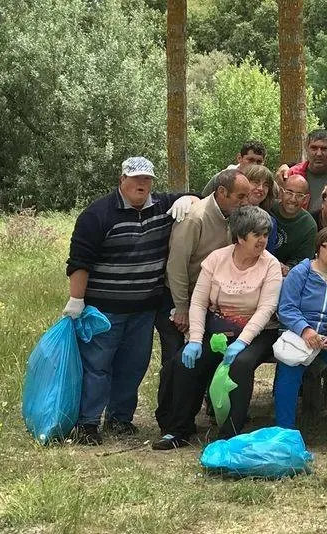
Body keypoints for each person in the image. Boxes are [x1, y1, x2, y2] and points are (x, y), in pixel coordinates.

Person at [64, 157, 195, 445]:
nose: (141, 184)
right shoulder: (97, 214)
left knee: (133, 366)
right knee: (98, 366)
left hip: (143, 309)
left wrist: (188, 198)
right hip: (103, 309)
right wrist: (76, 300)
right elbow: (79, 262)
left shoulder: (163, 207)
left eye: (147, 179)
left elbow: (200, 196)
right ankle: (87, 424)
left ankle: (120, 419)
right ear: (122, 179)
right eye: (135, 178)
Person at [153, 206, 283, 449]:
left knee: (240, 364)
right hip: (217, 329)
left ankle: (230, 433)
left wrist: (242, 342)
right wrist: (194, 339)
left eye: (266, 234)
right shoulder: (216, 258)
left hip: (256, 333)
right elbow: (200, 301)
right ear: (241, 236)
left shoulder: (270, 265)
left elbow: (266, 309)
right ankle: (179, 429)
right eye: (257, 235)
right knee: (184, 361)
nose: (263, 240)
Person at [154, 168, 251, 434]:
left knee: (196, 363)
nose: (246, 202)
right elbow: (176, 266)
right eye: (240, 196)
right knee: (175, 361)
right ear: (221, 193)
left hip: (204, 302)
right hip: (177, 297)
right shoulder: (195, 218)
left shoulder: (230, 216)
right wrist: (182, 308)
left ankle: (186, 419)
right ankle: (169, 421)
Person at [274, 227, 327, 435]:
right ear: (318, 249)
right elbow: (286, 308)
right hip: (301, 333)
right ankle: (284, 429)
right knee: (289, 369)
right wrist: (306, 330)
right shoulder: (300, 273)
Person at [270, 174, 318, 274]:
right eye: (289, 192)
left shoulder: (309, 226)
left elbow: (303, 261)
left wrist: (287, 268)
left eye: (299, 195)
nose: (293, 199)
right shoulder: (269, 208)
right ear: (282, 192)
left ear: (306, 199)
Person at [199, 140, 268, 196]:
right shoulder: (221, 179)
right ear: (239, 158)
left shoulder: (268, 184)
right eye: (250, 160)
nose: (254, 165)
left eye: (259, 162)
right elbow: (203, 200)